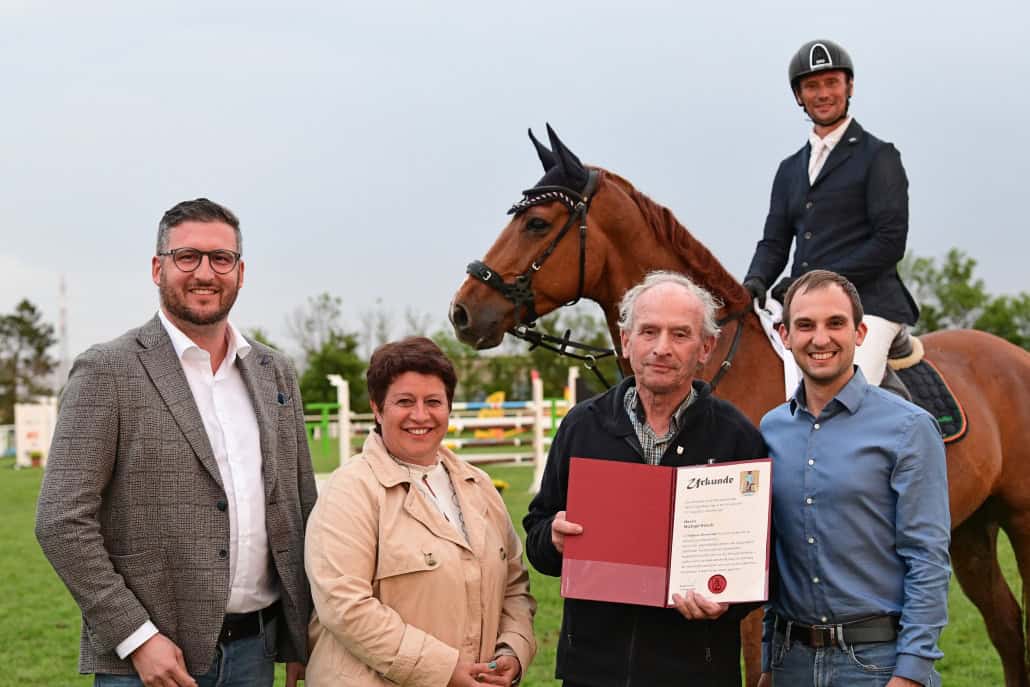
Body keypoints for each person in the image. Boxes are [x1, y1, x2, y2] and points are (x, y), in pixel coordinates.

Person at [35, 198, 317, 687]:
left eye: (221, 259)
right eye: (187, 256)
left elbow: (299, 506)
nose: (205, 272)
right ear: (157, 267)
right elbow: (61, 521)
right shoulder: (108, 371)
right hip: (151, 665)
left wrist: (301, 634)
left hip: (256, 655)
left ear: (240, 272)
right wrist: (137, 637)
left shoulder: (276, 372)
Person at [523, 271, 767, 687]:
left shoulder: (737, 435)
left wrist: (729, 600)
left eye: (680, 334)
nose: (661, 348)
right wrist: (554, 538)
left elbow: (763, 566)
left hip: (699, 672)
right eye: (649, 331)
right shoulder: (583, 426)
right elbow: (537, 533)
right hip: (593, 672)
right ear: (626, 340)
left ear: (706, 347)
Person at [304, 336, 536, 687]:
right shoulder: (349, 491)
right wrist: (443, 670)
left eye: (433, 402)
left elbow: (514, 586)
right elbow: (345, 607)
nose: (420, 415)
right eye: (404, 402)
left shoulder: (480, 486)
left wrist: (512, 652)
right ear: (377, 408)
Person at [758, 270, 950, 687]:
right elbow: (775, 555)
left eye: (835, 323)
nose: (820, 338)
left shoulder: (910, 427)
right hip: (792, 664)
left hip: (876, 666)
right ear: (784, 335)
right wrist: (769, 661)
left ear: (860, 332)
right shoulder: (770, 430)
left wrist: (912, 673)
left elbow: (928, 557)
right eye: (805, 325)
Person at [743, 39, 919, 387]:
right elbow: (775, 242)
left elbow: (889, 243)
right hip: (802, 306)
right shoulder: (790, 168)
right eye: (812, 86)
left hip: (869, 304)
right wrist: (753, 283)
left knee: (841, 393)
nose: (822, 93)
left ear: (848, 86)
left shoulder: (879, 156)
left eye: (831, 83)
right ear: (799, 96)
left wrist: (815, 284)